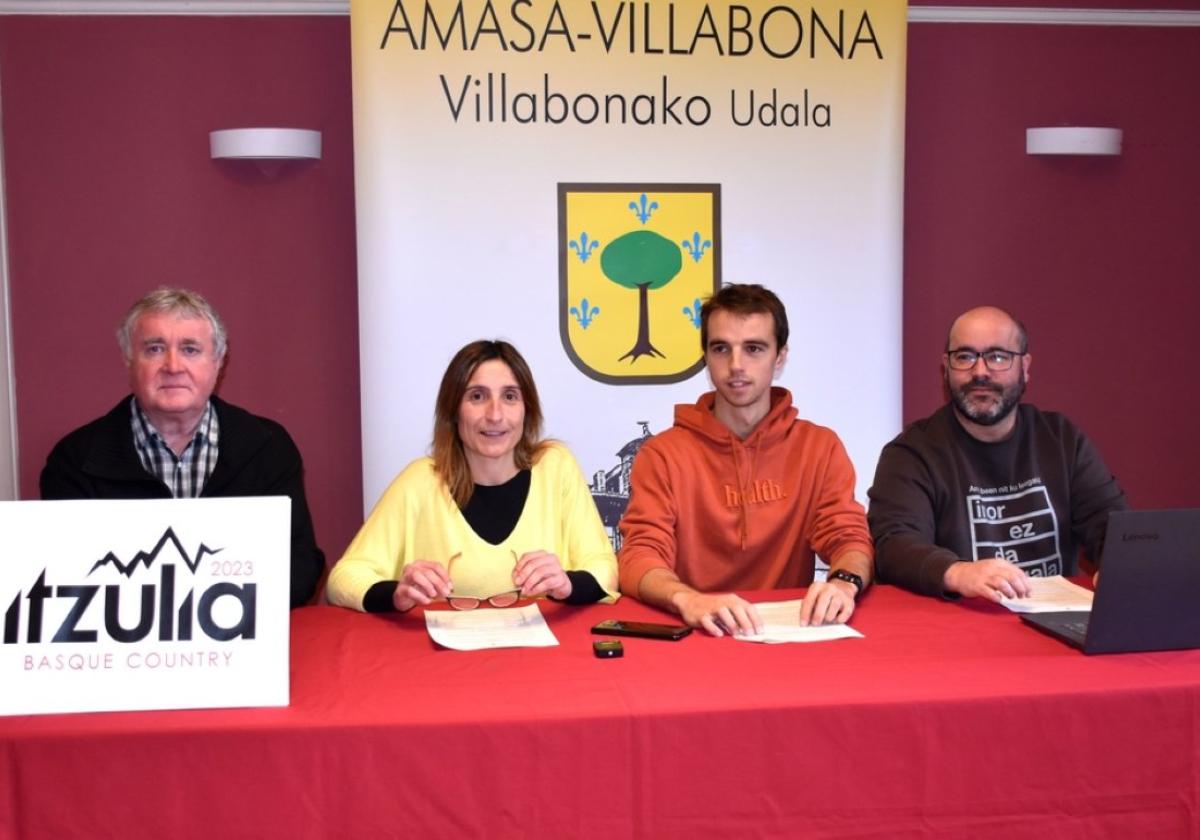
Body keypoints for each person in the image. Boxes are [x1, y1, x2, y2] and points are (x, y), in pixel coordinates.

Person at [40, 287, 325, 609]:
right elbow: (67, 582)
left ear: (218, 361)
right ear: (129, 360)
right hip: (123, 649)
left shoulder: (269, 447)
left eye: (190, 349)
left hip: (240, 635)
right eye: (155, 349)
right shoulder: (74, 460)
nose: (173, 366)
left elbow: (299, 567)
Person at [617, 284, 874, 636]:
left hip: (790, 634)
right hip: (697, 632)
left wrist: (844, 583)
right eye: (721, 348)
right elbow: (638, 556)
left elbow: (848, 537)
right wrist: (687, 599)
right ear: (706, 356)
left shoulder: (819, 447)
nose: (736, 365)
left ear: (780, 357)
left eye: (754, 348)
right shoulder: (662, 454)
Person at [326, 340, 618, 612]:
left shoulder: (556, 467)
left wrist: (567, 584)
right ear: (453, 411)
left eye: (510, 396)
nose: (495, 415)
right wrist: (396, 594)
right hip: (443, 661)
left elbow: (604, 566)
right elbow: (343, 578)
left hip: (541, 658)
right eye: (477, 396)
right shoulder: (420, 481)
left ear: (527, 410)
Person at [868, 305, 1128, 601]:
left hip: (1053, 622)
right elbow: (894, 544)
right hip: (958, 628)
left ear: (1025, 367)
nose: (980, 372)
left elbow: (1112, 525)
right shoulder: (911, 452)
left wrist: (1120, 564)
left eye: (997, 357)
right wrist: (957, 572)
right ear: (946, 367)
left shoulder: (1061, 439)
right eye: (965, 357)